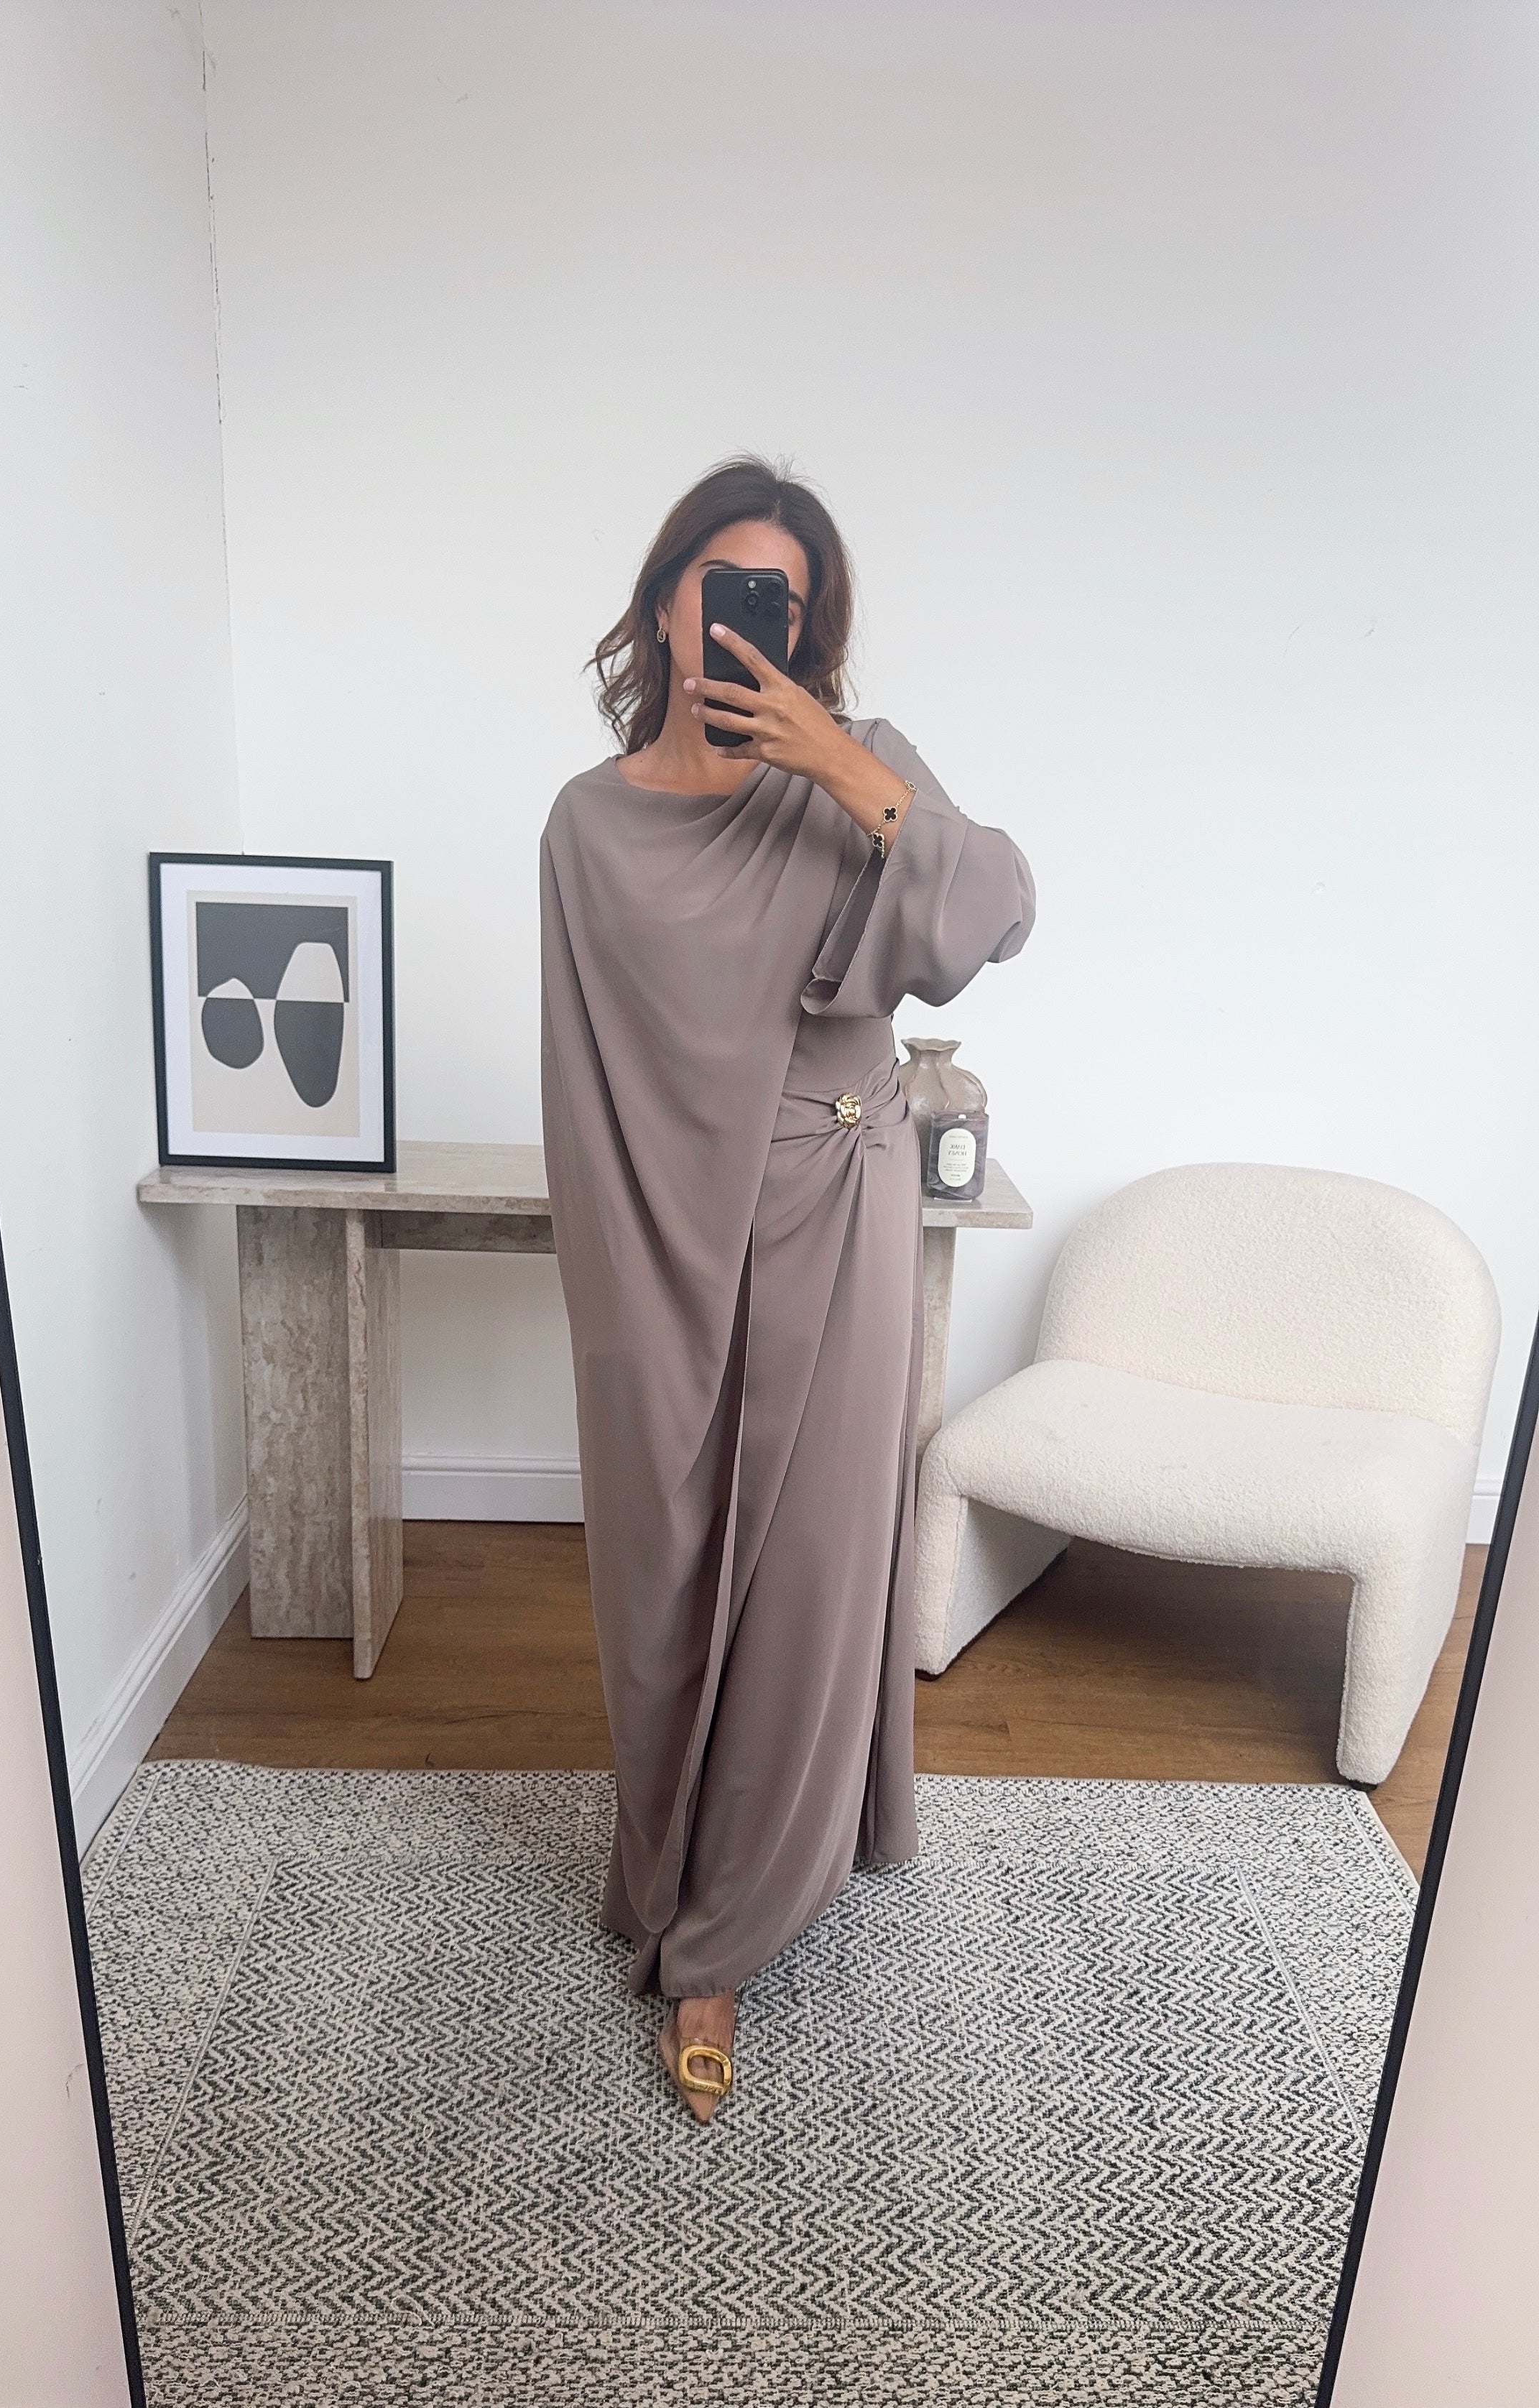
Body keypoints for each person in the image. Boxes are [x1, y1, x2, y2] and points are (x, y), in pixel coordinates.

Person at [539, 456, 1035, 2122]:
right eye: (726, 587)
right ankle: (678, 1855)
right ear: (664, 599)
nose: (751, 622)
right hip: (666, 1235)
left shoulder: (860, 766)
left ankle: (724, 1942)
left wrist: (841, 765)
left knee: (816, 1569)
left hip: (841, 1203)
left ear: (811, 631)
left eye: (788, 603)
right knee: (670, 1571)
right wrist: (621, 1295)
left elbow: (997, 908)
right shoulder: (588, 826)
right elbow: (587, 1082)